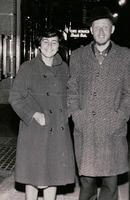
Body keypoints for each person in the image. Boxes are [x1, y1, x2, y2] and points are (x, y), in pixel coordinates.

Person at [67, 6, 130, 200]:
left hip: (112, 130)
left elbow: (129, 92)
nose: (101, 31)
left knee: (110, 184)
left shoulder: (125, 55)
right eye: (97, 27)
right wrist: (77, 115)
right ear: (91, 30)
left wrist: (120, 117)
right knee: (86, 183)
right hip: (85, 128)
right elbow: (72, 89)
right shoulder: (78, 56)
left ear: (112, 30)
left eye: (105, 27)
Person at [9, 27, 75, 200]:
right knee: (33, 174)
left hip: (57, 129)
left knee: (53, 174)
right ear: (39, 46)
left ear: (58, 45)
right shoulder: (27, 68)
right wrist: (34, 115)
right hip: (36, 130)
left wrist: (67, 112)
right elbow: (15, 98)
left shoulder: (64, 68)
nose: (49, 46)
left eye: (54, 42)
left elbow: (71, 93)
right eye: (45, 42)